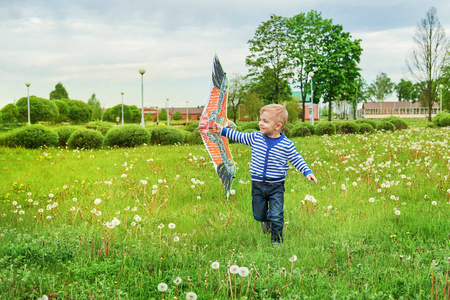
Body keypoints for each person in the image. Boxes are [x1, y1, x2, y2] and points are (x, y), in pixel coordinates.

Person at [211, 104, 317, 245]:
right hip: (258, 185)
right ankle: (265, 221)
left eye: (266, 121)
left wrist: (307, 172)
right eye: (261, 119)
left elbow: (297, 159)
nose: (260, 123)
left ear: (278, 126)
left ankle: (276, 242)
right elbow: (239, 136)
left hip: (276, 186)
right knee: (259, 215)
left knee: (277, 215)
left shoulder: (286, 145)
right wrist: (222, 130)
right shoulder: (255, 137)